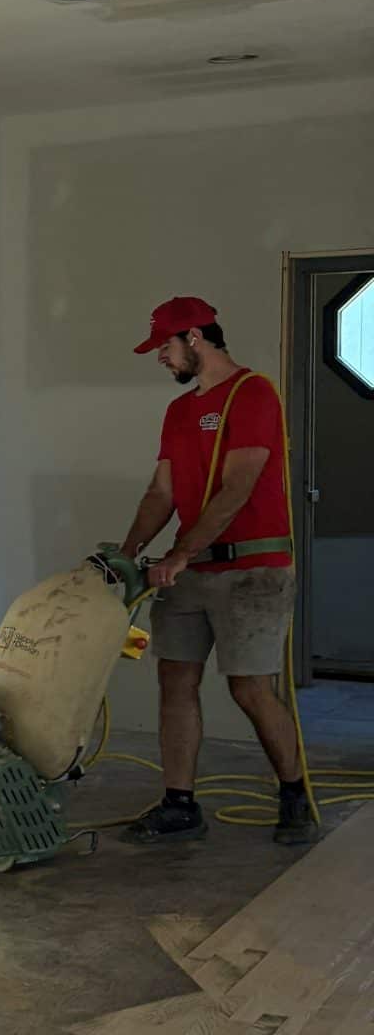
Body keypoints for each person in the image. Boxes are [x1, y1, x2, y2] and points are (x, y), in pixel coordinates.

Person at [118, 297, 316, 848]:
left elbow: (237, 488)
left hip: (253, 570)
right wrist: (129, 549)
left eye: (165, 346)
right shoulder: (180, 412)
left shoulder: (253, 394)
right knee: (174, 680)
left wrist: (178, 554)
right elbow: (162, 490)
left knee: (249, 687)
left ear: (195, 338)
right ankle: (180, 803)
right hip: (191, 572)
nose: (162, 357)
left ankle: (294, 793)